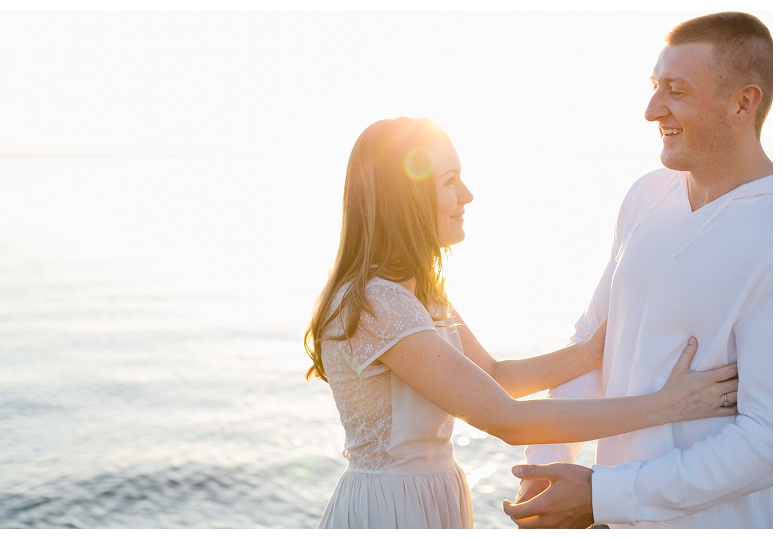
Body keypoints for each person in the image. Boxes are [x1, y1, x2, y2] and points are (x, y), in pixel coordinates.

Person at [304, 116, 739, 529]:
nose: (468, 194)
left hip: (431, 494)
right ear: (406, 200)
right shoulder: (378, 305)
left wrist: (586, 354)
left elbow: (493, 376)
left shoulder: (419, 294)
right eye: (450, 181)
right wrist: (668, 405)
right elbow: (507, 419)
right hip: (390, 508)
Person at [504, 11, 772, 529]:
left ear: (743, 102)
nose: (652, 110)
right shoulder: (646, 195)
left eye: (675, 91)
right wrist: (545, 464)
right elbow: (592, 344)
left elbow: (768, 439)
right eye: (654, 87)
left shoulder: (771, 232)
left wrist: (604, 495)